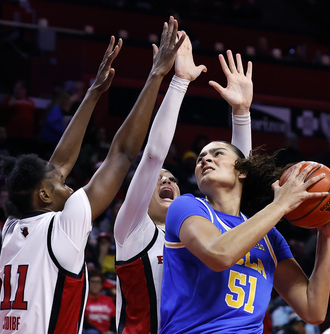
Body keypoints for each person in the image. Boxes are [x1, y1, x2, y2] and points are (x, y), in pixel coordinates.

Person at [0, 17, 185, 333]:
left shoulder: (13, 229)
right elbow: (122, 154)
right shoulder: (63, 227)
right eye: (58, 184)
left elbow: (57, 164)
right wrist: (156, 75)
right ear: (43, 195)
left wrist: (93, 92)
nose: (65, 181)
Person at [114, 33, 252, 333]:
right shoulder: (131, 230)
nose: (166, 180)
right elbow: (152, 157)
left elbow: (237, 185)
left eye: (173, 178)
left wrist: (241, 113)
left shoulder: (200, 229)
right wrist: (179, 82)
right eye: (159, 179)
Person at [160, 147, 330, 332]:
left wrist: (327, 235)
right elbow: (218, 254)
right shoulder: (185, 206)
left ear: (242, 171)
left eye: (217, 154)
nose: (205, 159)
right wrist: (280, 204)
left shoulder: (270, 237)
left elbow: (313, 311)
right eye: (200, 158)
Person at [83, 270, 116, 334]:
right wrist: (101, 332)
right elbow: (84, 322)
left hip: (108, 331)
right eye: (93, 282)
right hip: (91, 331)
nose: (95, 285)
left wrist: (110, 331)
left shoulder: (108, 300)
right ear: (88, 283)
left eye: (98, 282)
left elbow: (114, 320)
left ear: (101, 284)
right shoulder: (84, 301)